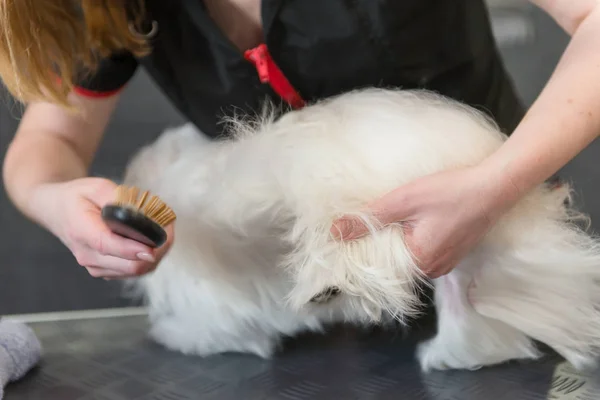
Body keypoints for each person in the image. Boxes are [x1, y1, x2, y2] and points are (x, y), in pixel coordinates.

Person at [1, 0, 599, 281]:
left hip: (489, 270)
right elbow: (49, 140)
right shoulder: (113, 4)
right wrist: (56, 203)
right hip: (287, 310)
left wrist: (493, 188)